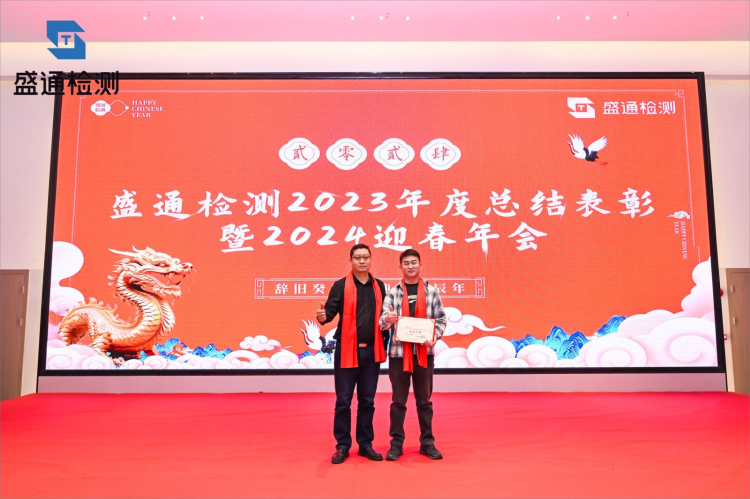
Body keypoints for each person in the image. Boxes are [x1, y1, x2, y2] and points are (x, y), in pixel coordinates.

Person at [316, 243, 388, 464]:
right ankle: (342, 446)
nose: (362, 261)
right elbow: (329, 312)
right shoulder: (340, 286)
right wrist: (323, 317)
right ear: (351, 260)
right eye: (358, 257)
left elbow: (384, 317)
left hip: (371, 352)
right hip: (347, 350)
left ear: (371, 259)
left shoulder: (379, 286)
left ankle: (365, 444)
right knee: (344, 401)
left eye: (366, 257)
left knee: (367, 401)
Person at [379, 248, 447, 461]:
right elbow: (381, 322)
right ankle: (396, 444)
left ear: (420, 265)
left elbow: (441, 319)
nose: (410, 266)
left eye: (414, 262)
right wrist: (387, 320)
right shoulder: (392, 293)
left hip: (424, 354)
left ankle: (427, 443)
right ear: (400, 267)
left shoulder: (432, 292)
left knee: (424, 401)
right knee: (398, 402)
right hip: (398, 355)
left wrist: (434, 336)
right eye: (406, 263)